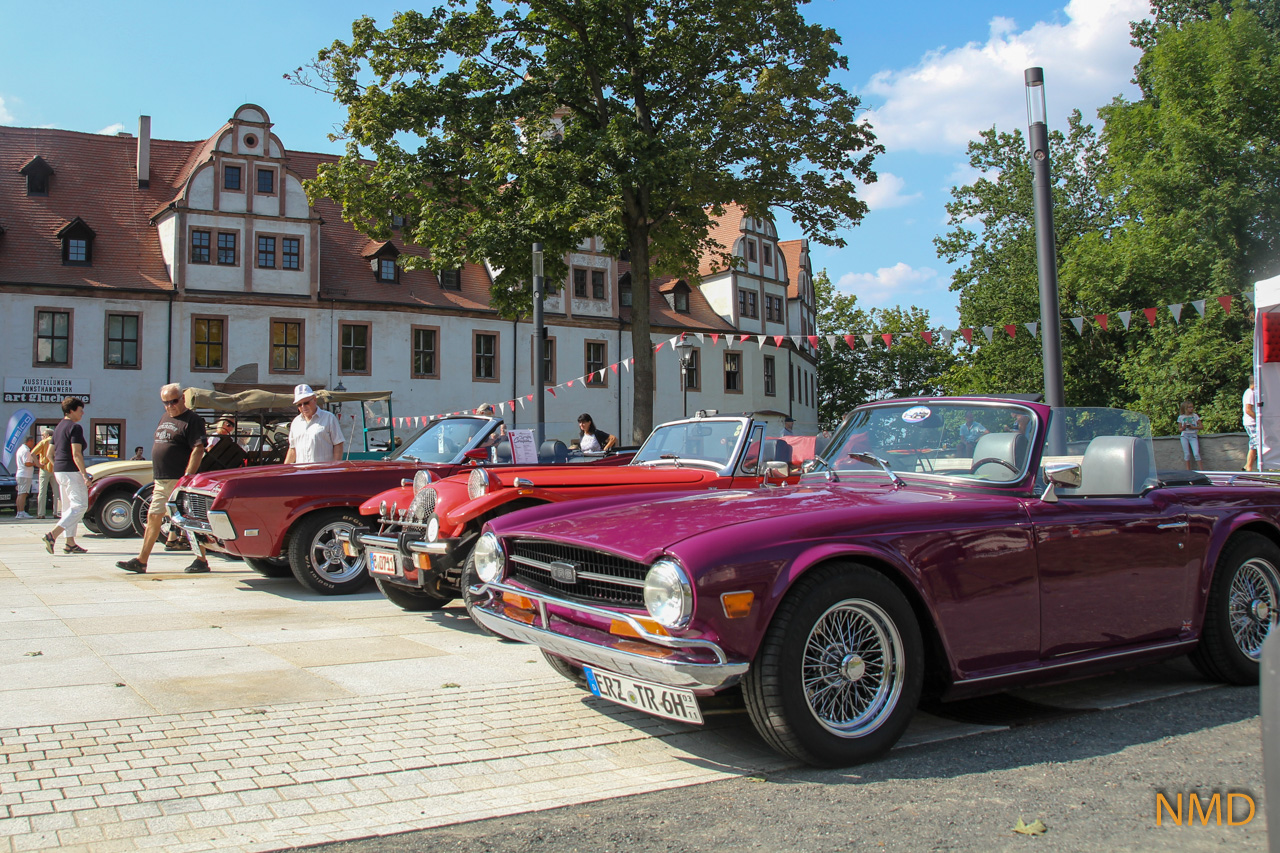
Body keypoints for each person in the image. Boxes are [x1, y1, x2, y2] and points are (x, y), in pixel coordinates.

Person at [116, 384, 211, 574]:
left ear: (182, 398)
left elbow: (198, 448)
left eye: (173, 401)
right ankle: (141, 561)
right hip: (162, 479)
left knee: (189, 520)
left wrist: (187, 476)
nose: (170, 406)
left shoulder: (192, 420)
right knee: (153, 516)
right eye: (165, 403)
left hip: (180, 480)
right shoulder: (165, 417)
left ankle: (201, 560)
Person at [41, 397, 92, 555]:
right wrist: (84, 474)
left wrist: (58, 465)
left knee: (68, 508)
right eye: (80, 409)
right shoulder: (75, 427)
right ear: (71, 411)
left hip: (59, 471)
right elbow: (76, 454)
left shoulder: (58, 428)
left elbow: (50, 454)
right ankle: (52, 535)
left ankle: (70, 543)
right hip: (71, 471)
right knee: (80, 506)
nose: (82, 412)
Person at [285, 385, 344, 464]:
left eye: (306, 403)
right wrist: (284, 470)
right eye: (299, 404)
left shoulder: (329, 418)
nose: (303, 407)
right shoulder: (296, 422)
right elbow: (293, 449)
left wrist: (335, 467)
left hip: (322, 472)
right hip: (301, 473)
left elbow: (338, 444)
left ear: (314, 400)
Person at [31, 428, 56, 519]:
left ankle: (41, 513)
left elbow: (32, 453)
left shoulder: (44, 442)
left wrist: (38, 464)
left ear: (46, 435)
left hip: (44, 467)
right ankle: (57, 512)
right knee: (56, 492)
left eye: (43, 435)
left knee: (42, 492)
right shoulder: (56, 442)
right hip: (54, 468)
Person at [13, 435, 35, 518]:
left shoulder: (20, 449)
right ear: (29, 441)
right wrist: (35, 463)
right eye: (32, 442)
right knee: (23, 494)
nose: (33, 444)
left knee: (20, 494)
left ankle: (19, 512)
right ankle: (21, 512)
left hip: (20, 474)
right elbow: (27, 463)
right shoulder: (26, 450)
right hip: (25, 475)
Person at [1177, 400, 1202, 471]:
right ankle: (1188, 470)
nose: (1191, 409)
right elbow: (1180, 429)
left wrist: (1194, 427)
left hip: (1193, 435)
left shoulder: (1195, 416)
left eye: (1192, 407)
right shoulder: (1181, 417)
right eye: (1189, 407)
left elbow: (1201, 427)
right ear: (1185, 408)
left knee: (1196, 454)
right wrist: (1184, 427)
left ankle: (1202, 470)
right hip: (1184, 436)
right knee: (1187, 454)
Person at [1244, 376, 1259, 472]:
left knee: (1255, 444)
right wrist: (1259, 419)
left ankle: (1248, 466)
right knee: (1256, 443)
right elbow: (1248, 410)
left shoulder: (1252, 393)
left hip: (1252, 422)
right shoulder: (1250, 393)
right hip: (1251, 422)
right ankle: (1248, 466)